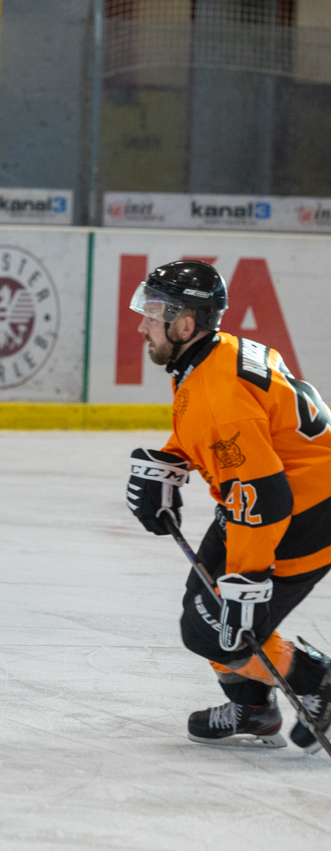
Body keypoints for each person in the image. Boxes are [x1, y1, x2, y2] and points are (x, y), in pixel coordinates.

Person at [126, 260, 331, 750]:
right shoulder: (211, 355)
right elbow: (227, 435)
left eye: (151, 314)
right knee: (203, 606)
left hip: (306, 515)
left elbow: (266, 498)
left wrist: (247, 582)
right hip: (271, 499)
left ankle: (319, 680)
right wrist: (172, 460)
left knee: (212, 627)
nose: (141, 325)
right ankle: (254, 710)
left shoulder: (215, 393)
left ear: (184, 325)